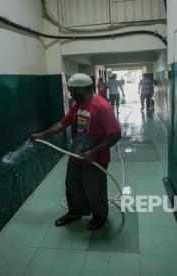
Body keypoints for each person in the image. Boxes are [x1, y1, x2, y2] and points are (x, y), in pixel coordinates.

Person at [30, 73, 121, 230]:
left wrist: (94, 152)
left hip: (95, 159)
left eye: (72, 91)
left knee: (95, 190)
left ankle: (100, 217)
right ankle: (75, 212)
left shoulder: (102, 107)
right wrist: (41, 135)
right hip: (76, 155)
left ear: (83, 89)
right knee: (72, 186)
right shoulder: (77, 106)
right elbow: (61, 124)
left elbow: (115, 134)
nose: (70, 94)